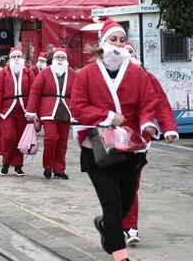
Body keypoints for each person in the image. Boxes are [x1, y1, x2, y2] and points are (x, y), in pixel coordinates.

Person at [70, 17, 160, 261]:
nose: (118, 44)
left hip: (131, 147)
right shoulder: (86, 74)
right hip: (98, 148)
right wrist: (108, 116)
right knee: (112, 203)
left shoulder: (136, 72)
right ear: (103, 42)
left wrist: (148, 123)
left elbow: (148, 102)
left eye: (122, 39)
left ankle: (105, 225)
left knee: (125, 203)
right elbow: (78, 108)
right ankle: (120, 256)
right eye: (113, 39)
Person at [120, 42, 179, 244]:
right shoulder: (107, 78)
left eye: (131, 52)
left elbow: (160, 102)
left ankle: (130, 227)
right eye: (123, 52)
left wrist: (168, 128)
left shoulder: (147, 78)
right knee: (113, 184)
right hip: (111, 137)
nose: (127, 55)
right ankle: (113, 222)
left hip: (139, 139)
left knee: (131, 183)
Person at [26, 47, 77, 180]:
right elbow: (35, 91)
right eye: (58, 58)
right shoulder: (45, 72)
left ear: (66, 59)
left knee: (63, 142)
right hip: (49, 111)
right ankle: (48, 166)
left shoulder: (72, 73)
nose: (60, 60)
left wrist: (78, 111)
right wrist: (31, 111)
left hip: (66, 111)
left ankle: (59, 169)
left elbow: (78, 93)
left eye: (63, 58)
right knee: (51, 138)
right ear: (53, 59)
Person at [0, 47, 35, 177]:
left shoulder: (29, 72)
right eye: (14, 57)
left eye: (19, 57)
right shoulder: (3, 73)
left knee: (21, 139)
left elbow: (34, 92)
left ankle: (18, 165)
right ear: (10, 59)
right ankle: (6, 162)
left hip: (23, 111)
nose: (16, 59)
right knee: (9, 137)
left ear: (23, 59)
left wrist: (33, 111)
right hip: (7, 111)